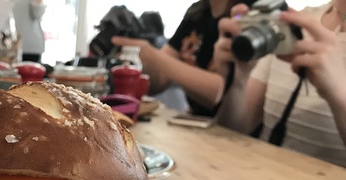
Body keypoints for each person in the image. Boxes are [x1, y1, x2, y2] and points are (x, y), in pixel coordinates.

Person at [213, 2, 346, 166]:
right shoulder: (293, 22)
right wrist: (237, 81)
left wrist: (340, 97)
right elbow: (237, 130)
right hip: (261, 179)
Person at [112, 0, 242, 117]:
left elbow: (220, 92)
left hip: (234, 133)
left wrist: (152, 55)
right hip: (198, 126)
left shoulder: (243, 13)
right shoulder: (196, 13)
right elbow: (160, 79)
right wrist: (135, 59)